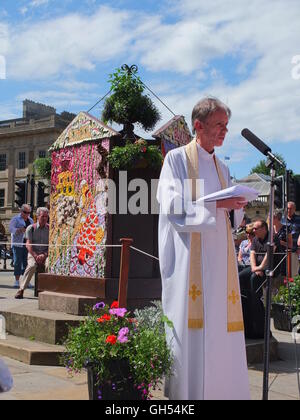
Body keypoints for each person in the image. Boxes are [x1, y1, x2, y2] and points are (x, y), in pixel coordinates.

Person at [157, 97, 250, 400]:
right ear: (198, 125)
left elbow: (231, 220)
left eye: (226, 125)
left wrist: (237, 206)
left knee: (221, 333)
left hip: (221, 268)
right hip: (190, 267)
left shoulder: (222, 167)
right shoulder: (178, 161)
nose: (225, 131)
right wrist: (218, 204)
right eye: (219, 125)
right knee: (192, 332)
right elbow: (173, 206)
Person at [15, 207, 49, 300]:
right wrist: (35, 255)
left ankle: (46, 290)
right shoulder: (31, 228)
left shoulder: (50, 228)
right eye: (43, 216)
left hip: (45, 254)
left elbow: (53, 246)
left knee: (49, 265)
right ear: (37, 216)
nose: (45, 218)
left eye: (46, 216)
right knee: (31, 266)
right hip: (33, 253)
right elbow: (28, 244)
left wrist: (45, 255)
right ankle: (21, 289)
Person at [9, 204, 33, 288]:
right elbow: (10, 229)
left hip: (27, 244)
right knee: (17, 262)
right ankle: (16, 280)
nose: (27, 214)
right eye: (25, 212)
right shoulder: (15, 219)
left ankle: (26, 280)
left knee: (27, 263)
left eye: (29, 212)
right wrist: (19, 230)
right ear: (21, 211)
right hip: (17, 243)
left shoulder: (30, 220)